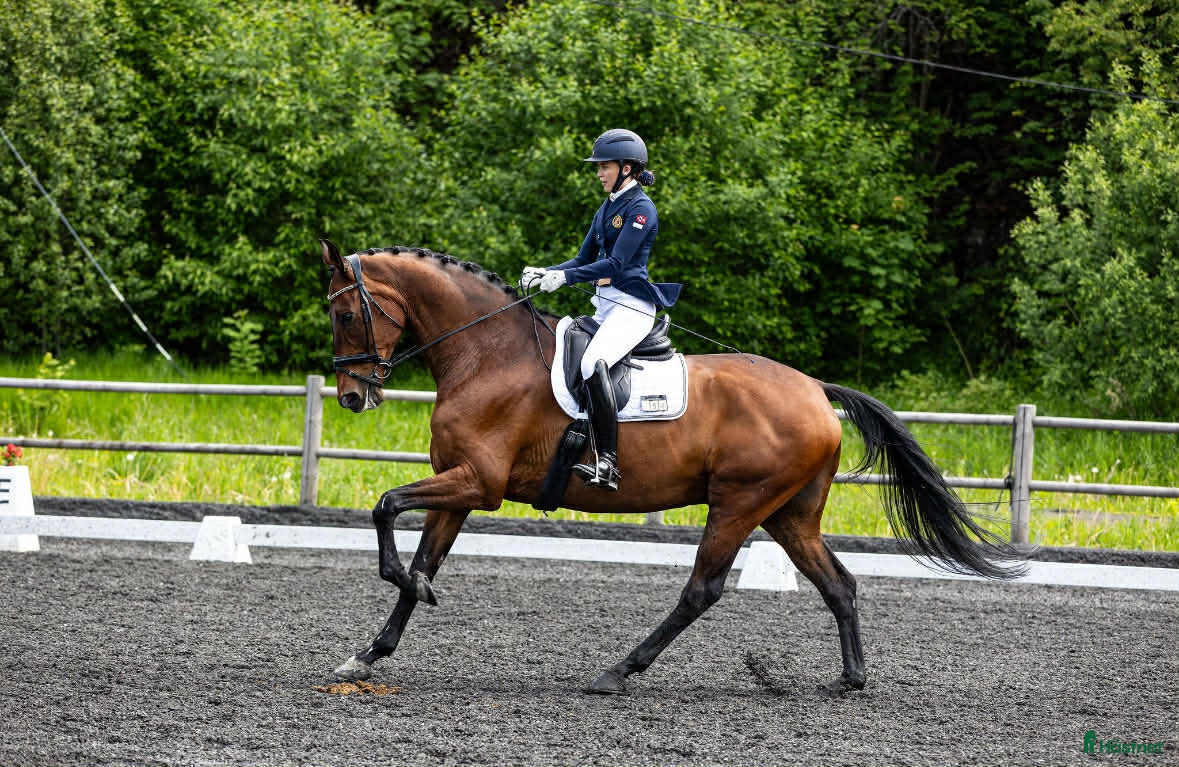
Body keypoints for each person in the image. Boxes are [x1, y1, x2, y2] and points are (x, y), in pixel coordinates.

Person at [521, 129, 682, 492]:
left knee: (594, 363)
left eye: (604, 166)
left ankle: (608, 461)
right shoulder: (608, 206)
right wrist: (546, 272)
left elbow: (616, 263)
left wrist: (564, 278)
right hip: (606, 307)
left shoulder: (641, 209)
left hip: (632, 307)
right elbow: (583, 259)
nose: (598, 173)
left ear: (626, 168)